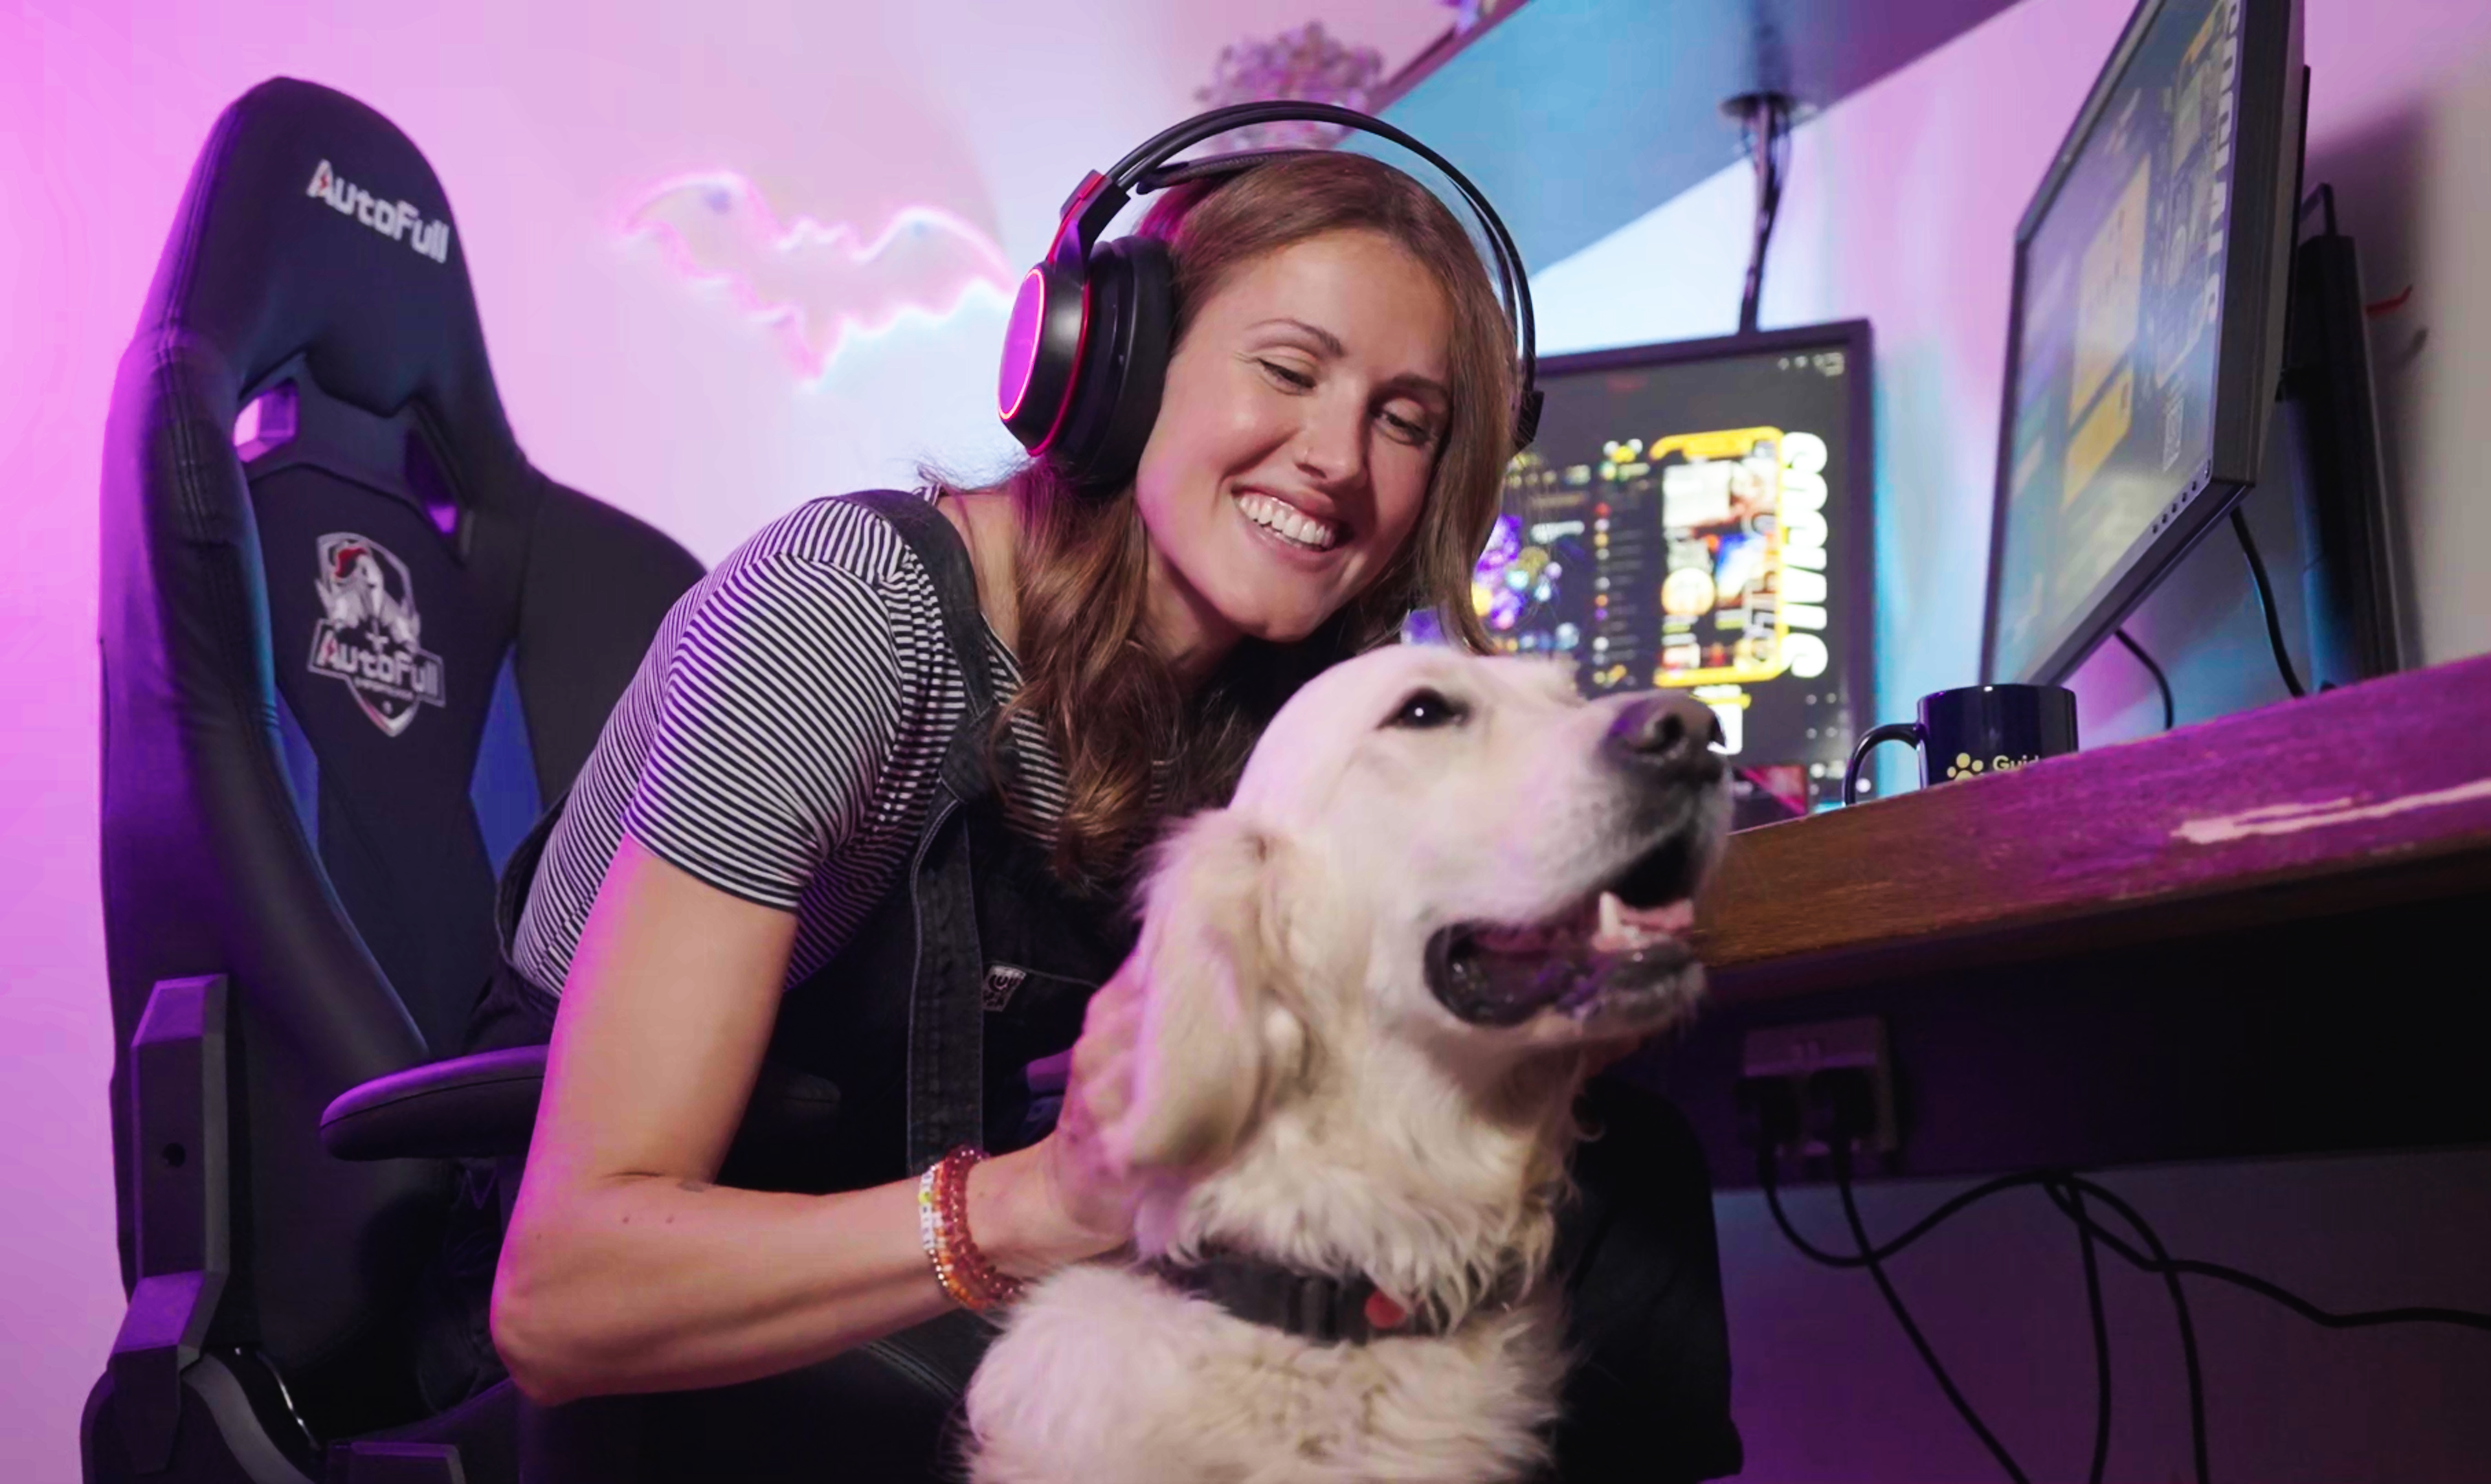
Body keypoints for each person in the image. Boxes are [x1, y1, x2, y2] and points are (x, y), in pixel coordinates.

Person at [464, 146, 1742, 1481]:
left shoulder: (1274, 704)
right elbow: (560, 1298)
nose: (1336, 460)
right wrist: (1032, 1205)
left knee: (1630, 1190)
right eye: (1290, 371)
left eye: (1406, 421)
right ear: (1109, 368)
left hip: (978, 1243)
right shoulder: (848, 617)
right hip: (661, 1317)